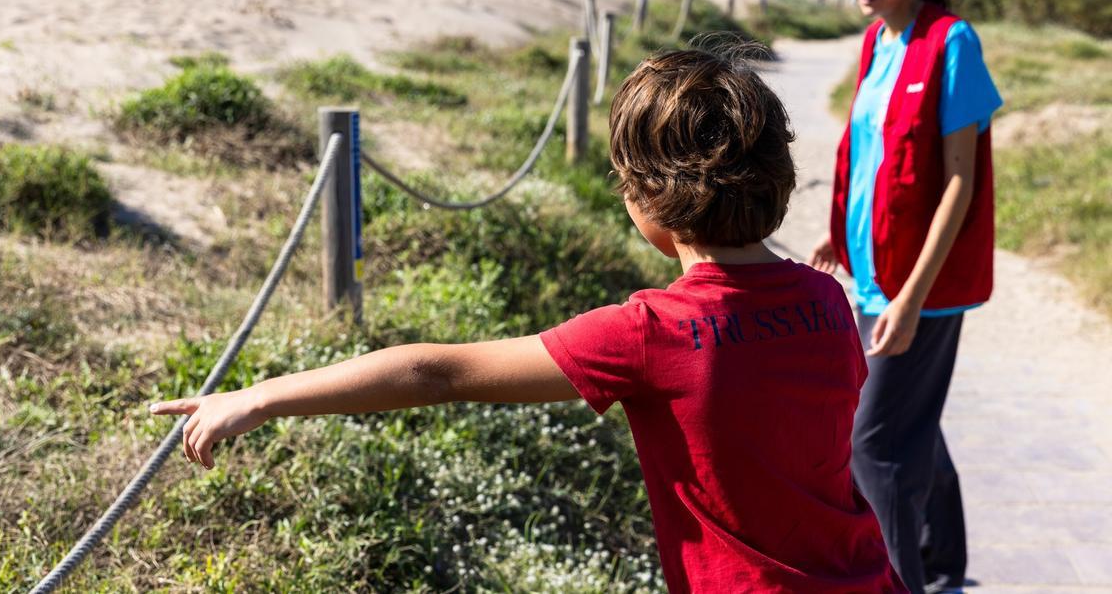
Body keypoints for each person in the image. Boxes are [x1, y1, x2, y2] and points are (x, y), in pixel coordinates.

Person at [151, 45, 905, 593]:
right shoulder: (824, 300)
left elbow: (436, 371)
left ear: (643, 198)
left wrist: (258, 395)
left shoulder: (653, 331)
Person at [808, 0, 1002, 592]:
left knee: (874, 444)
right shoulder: (874, 41)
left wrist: (912, 298)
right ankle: (943, 557)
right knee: (906, 415)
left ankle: (899, 580)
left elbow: (958, 180)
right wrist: (842, 230)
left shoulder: (952, 42)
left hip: (923, 284)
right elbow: (875, 152)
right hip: (871, 270)